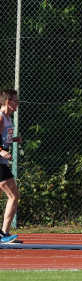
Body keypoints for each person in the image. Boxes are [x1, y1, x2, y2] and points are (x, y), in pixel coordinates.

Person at [0, 89, 21, 244]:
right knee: (13, 195)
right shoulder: (0, 117)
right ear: (7, 102)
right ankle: (4, 234)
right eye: (15, 100)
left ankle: (3, 234)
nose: (17, 103)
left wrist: (13, 140)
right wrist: (1, 152)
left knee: (12, 196)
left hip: (2, 162)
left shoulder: (7, 117)